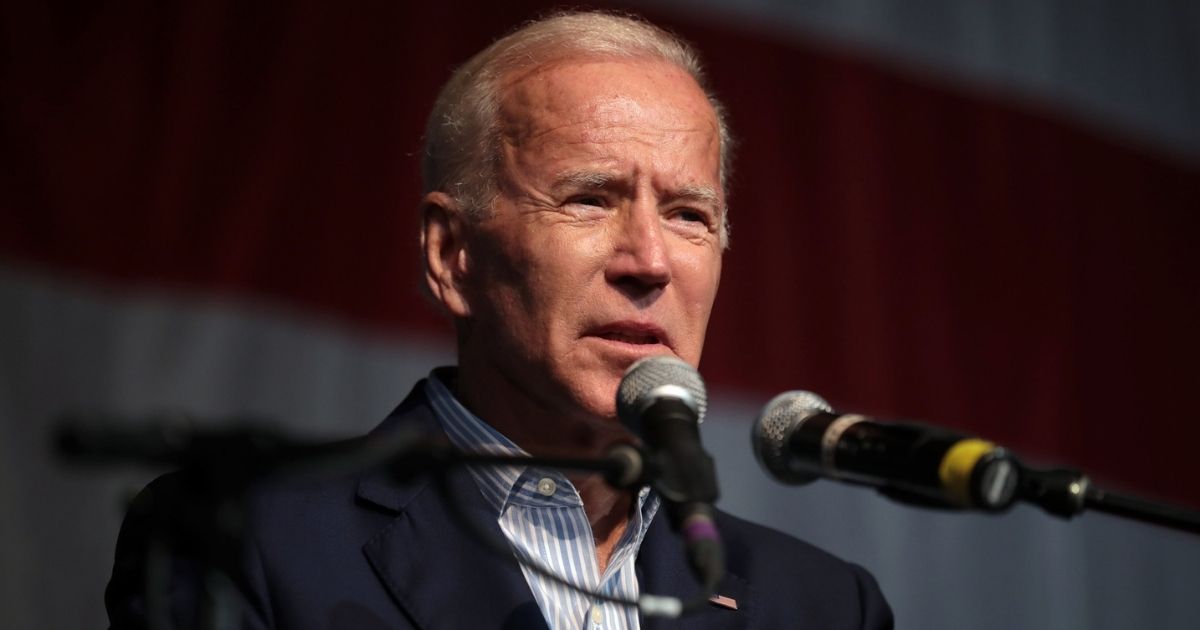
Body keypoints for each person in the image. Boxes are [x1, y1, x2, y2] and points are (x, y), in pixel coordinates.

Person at [107, 10, 893, 630]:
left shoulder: (822, 608)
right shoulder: (240, 542)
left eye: (689, 214)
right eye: (590, 199)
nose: (650, 260)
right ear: (452, 256)